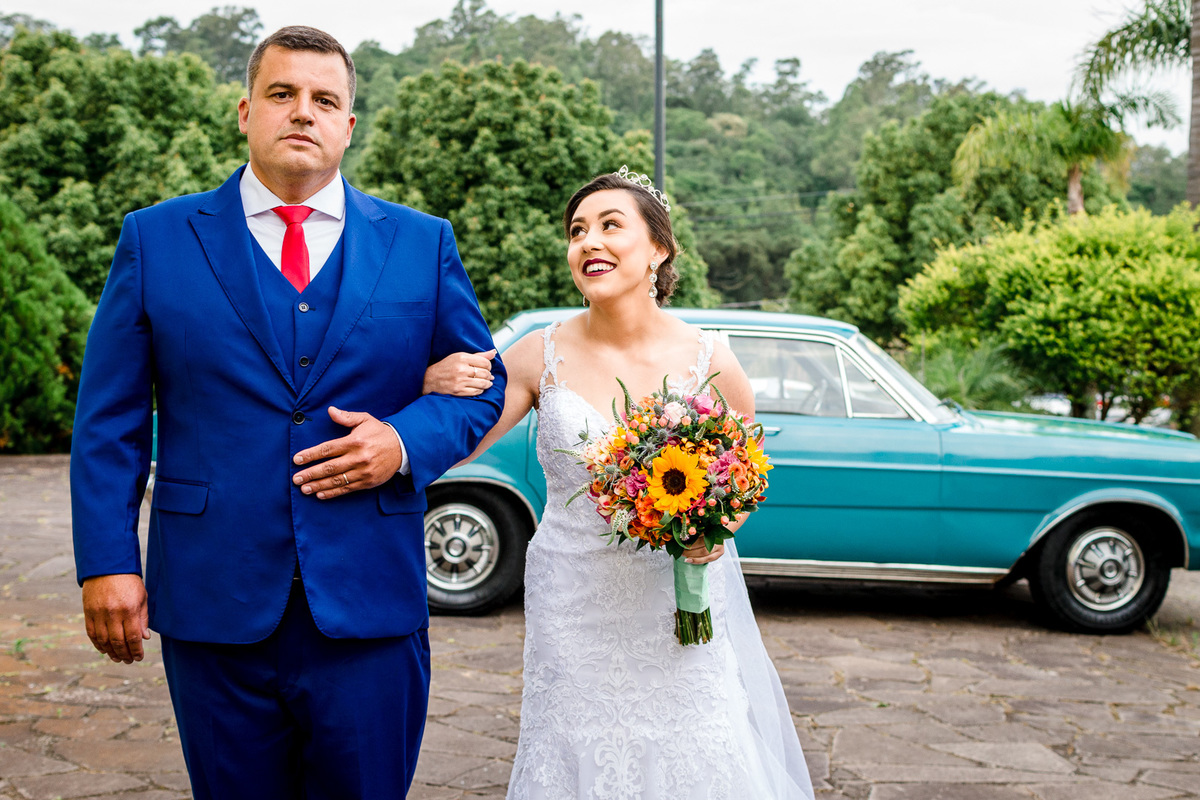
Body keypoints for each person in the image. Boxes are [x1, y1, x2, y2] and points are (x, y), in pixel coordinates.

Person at [69, 26, 504, 799]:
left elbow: (483, 385)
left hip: (369, 600)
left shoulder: (421, 243)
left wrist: (402, 442)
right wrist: (107, 560)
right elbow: (111, 419)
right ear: (246, 111)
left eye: (324, 99)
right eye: (282, 94)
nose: (302, 111)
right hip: (213, 597)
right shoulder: (156, 238)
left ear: (348, 125)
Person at [427, 168, 815, 799]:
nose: (589, 242)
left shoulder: (708, 358)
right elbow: (453, 442)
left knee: (693, 742)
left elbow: (745, 475)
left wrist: (714, 534)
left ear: (658, 249)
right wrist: (430, 384)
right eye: (577, 231)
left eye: (611, 226)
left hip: (675, 599)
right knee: (576, 741)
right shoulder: (535, 353)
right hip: (573, 598)